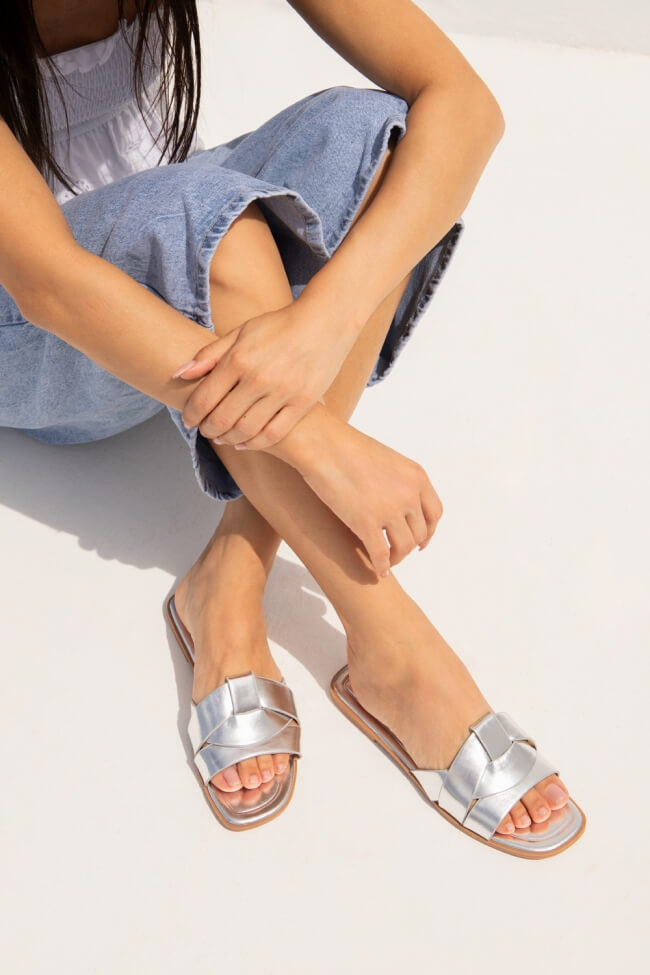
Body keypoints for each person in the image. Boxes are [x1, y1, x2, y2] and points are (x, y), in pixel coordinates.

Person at [0, 0, 586, 855]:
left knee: (378, 136)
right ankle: (393, 645)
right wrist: (317, 439)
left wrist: (317, 329)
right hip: (31, 336)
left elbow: (465, 105)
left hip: (179, 280)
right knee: (216, 226)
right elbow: (46, 282)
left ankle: (231, 571)